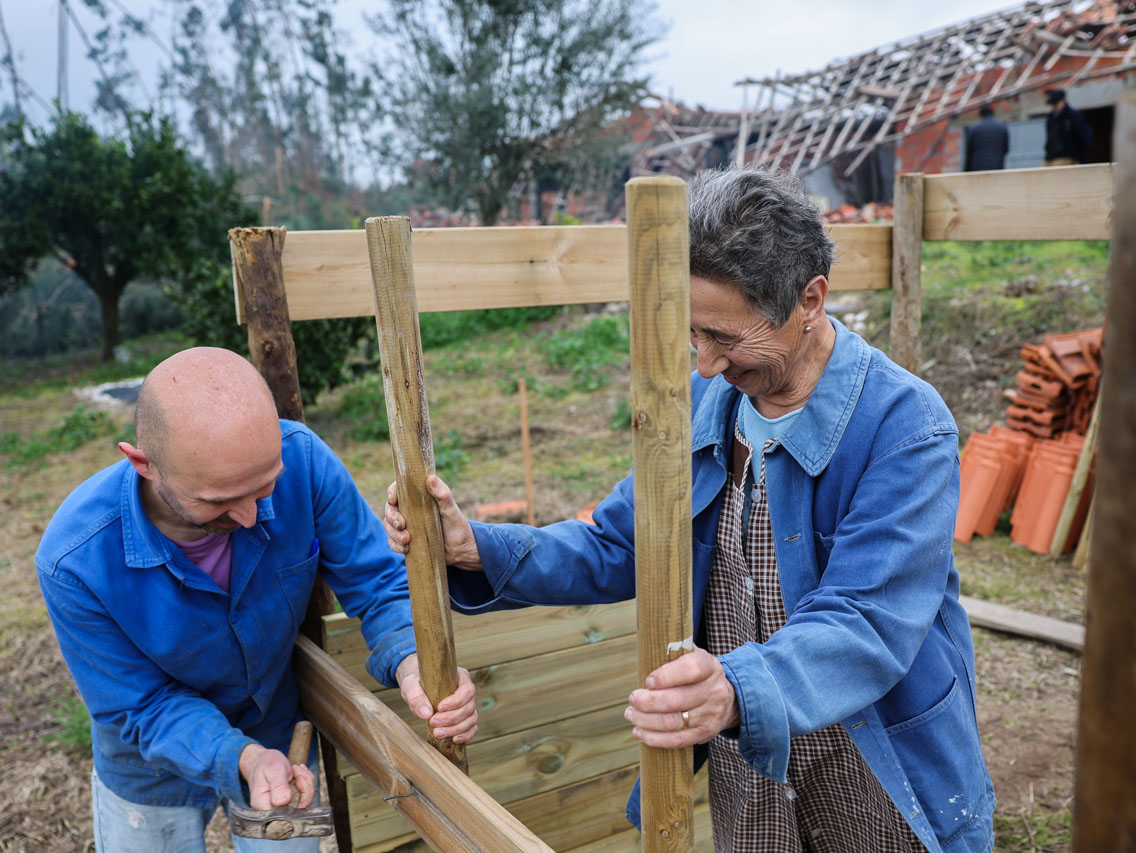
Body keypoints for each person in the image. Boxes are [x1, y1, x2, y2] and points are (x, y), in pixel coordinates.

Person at [384, 166, 995, 853]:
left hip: (876, 758)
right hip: (751, 756)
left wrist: (733, 688)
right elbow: (619, 544)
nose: (703, 365)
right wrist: (475, 547)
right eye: (691, 334)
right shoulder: (708, 404)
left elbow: (866, 621)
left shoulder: (904, 426)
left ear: (810, 299)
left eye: (725, 338)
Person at [36, 347, 479, 853]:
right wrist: (237, 756)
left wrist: (410, 657)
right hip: (149, 757)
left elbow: (379, 582)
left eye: (265, 488)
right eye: (220, 501)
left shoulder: (305, 461)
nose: (250, 517)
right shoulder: (73, 558)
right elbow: (138, 705)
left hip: (274, 732)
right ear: (144, 464)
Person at [1044, 88, 1093, 165]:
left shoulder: (1073, 116)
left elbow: (1083, 138)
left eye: (1055, 104)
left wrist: (1079, 157)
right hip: (1051, 157)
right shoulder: (1051, 117)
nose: (1054, 107)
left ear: (1063, 102)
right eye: (1052, 104)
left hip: (1067, 157)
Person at [964, 105, 1009, 172]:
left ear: (981, 115)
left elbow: (969, 151)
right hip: (996, 167)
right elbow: (1006, 149)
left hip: (977, 168)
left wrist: (966, 171)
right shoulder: (1002, 128)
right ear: (992, 114)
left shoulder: (974, 129)